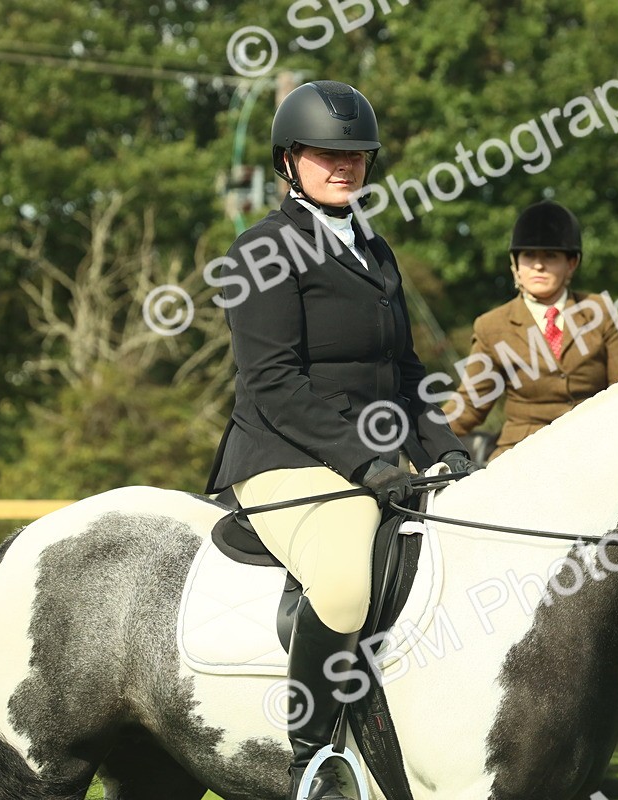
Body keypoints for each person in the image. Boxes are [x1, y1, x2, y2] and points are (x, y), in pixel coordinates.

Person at [204, 80, 475, 800]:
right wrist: (370, 464)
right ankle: (312, 759)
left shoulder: (375, 251)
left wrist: (447, 448)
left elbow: (407, 372)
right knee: (347, 580)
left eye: (356, 154)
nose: (344, 165)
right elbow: (274, 384)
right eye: (327, 153)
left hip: (379, 459)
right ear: (289, 160)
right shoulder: (258, 252)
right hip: (284, 458)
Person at [446, 200, 618, 458]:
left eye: (550, 256)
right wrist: (419, 442)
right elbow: (469, 406)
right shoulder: (491, 326)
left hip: (594, 447)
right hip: (522, 452)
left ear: (571, 263)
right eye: (529, 256)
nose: (538, 265)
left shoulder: (599, 310)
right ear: (515, 264)